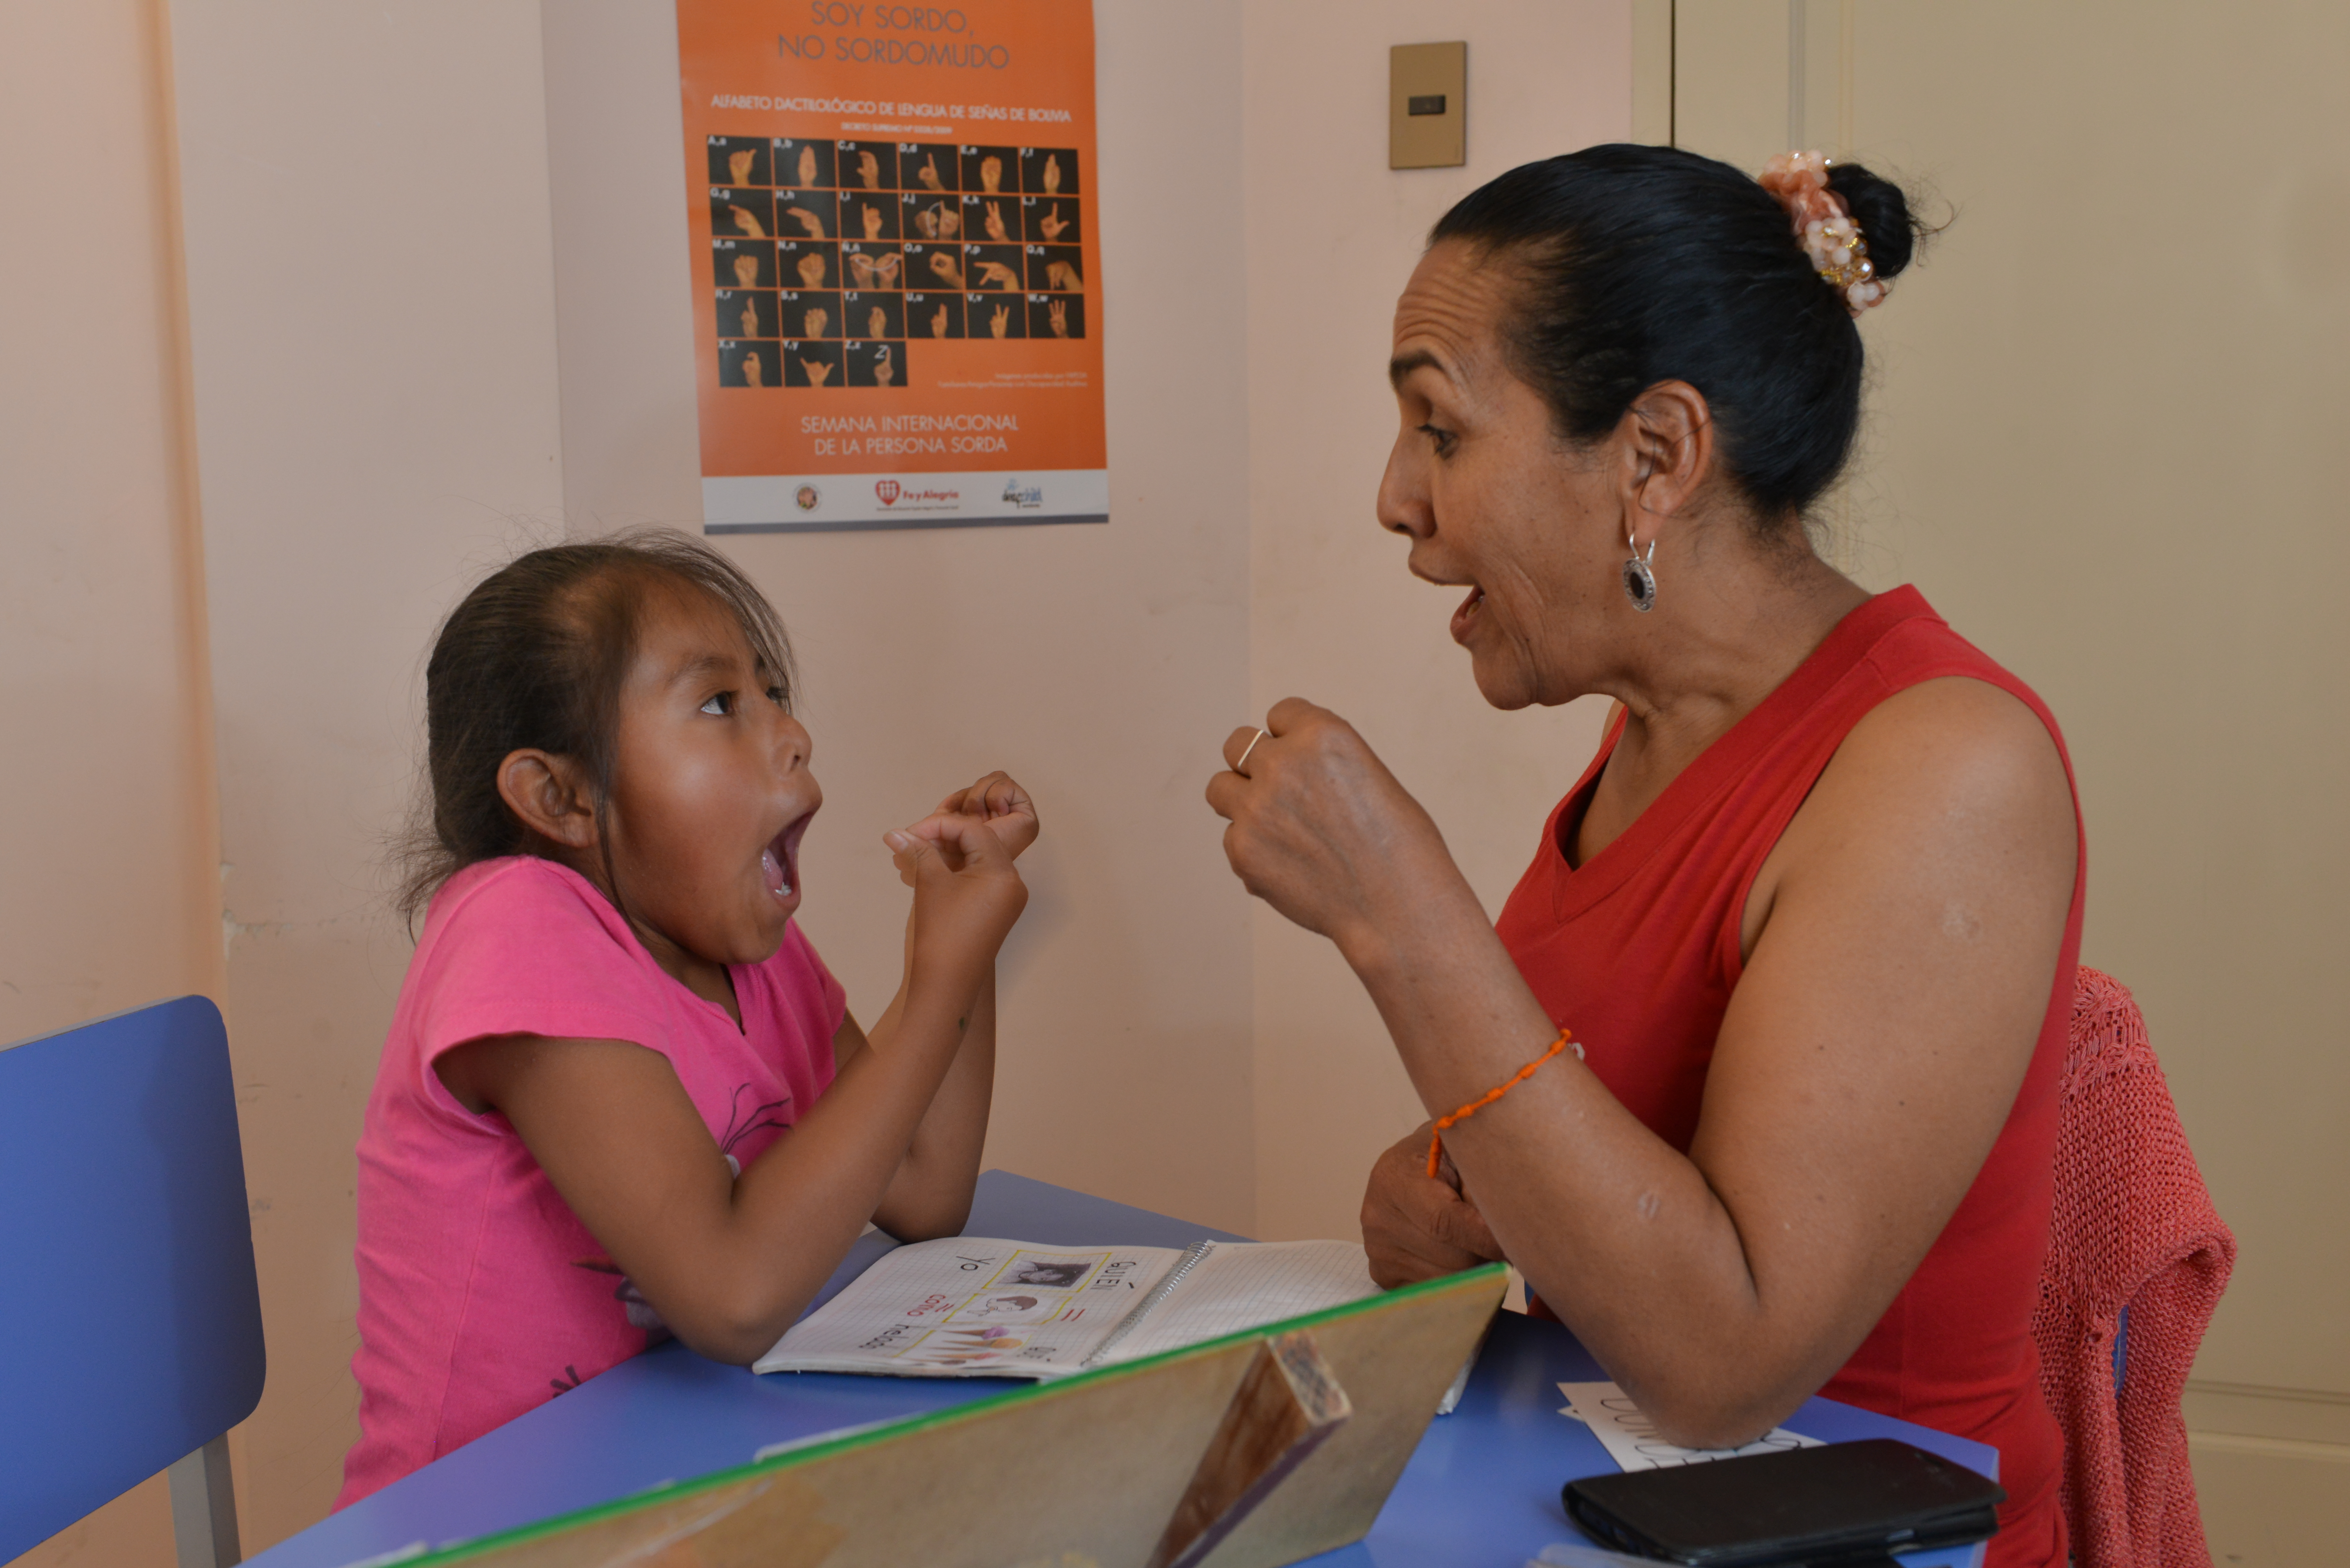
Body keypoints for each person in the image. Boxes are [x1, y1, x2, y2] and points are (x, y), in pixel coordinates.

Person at [1206, 145, 2079, 1568]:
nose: (1392, 498)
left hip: (1855, 1538)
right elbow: (1604, 1147)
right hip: (1617, 1509)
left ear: (1655, 457)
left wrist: (1403, 916)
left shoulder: (1946, 768)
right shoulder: (1649, 738)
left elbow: (1724, 1362)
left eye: (1440, 430)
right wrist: (1445, 1196)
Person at [338, 532, 1035, 1504]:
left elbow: (924, 1189)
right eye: (719, 704)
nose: (793, 735)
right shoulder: (518, 927)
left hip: (675, 1484)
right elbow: (733, 1298)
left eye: (773, 692)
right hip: (477, 1528)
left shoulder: (755, 950)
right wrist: (931, 985)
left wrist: (957, 956)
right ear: (561, 797)